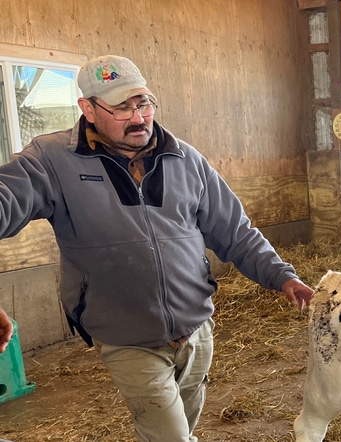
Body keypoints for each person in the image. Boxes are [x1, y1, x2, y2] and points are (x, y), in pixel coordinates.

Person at [0, 55, 314, 441]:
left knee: (182, 424)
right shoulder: (52, 161)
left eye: (143, 103)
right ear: (88, 109)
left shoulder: (185, 159)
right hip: (128, 336)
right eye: (121, 108)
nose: (138, 118)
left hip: (196, 328)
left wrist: (282, 277)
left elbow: (235, 231)